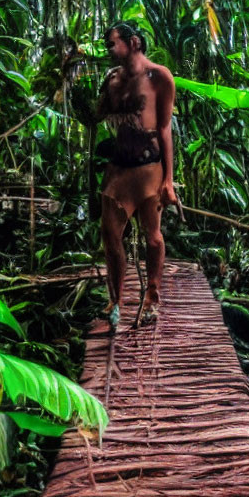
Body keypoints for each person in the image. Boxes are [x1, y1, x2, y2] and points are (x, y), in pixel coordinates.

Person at [96, 22, 178, 327]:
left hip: (149, 168)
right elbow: (98, 114)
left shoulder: (159, 77)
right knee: (110, 235)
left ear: (132, 42)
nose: (108, 50)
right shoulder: (112, 80)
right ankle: (115, 300)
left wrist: (168, 180)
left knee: (152, 237)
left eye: (112, 44)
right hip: (118, 168)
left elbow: (165, 128)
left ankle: (152, 297)